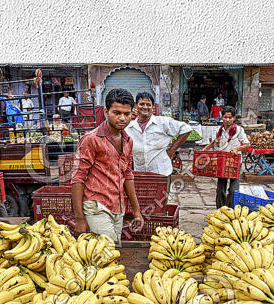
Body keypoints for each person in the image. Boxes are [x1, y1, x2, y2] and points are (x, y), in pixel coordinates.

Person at [71, 88, 143, 245]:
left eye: (127, 114)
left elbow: (128, 175)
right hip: (97, 207)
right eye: (116, 113)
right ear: (106, 111)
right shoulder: (91, 139)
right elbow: (77, 178)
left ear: (132, 114)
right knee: (108, 252)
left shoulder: (128, 141)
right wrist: (79, 218)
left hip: (118, 208)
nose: (122, 118)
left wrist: (137, 211)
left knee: (112, 254)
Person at [124, 91, 193, 177]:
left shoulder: (162, 122)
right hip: (140, 172)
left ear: (153, 107)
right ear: (136, 106)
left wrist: (172, 150)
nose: (145, 107)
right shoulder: (129, 127)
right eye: (142, 104)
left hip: (161, 171)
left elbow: (186, 129)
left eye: (148, 104)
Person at [203, 106, 250, 208]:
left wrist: (237, 149)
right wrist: (204, 150)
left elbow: (247, 144)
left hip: (235, 162)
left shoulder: (238, 130)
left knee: (233, 190)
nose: (227, 120)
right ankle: (220, 209)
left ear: (233, 118)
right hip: (223, 162)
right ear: (222, 117)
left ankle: (230, 209)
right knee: (220, 189)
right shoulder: (220, 130)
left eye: (230, 117)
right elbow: (215, 142)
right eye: (225, 117)